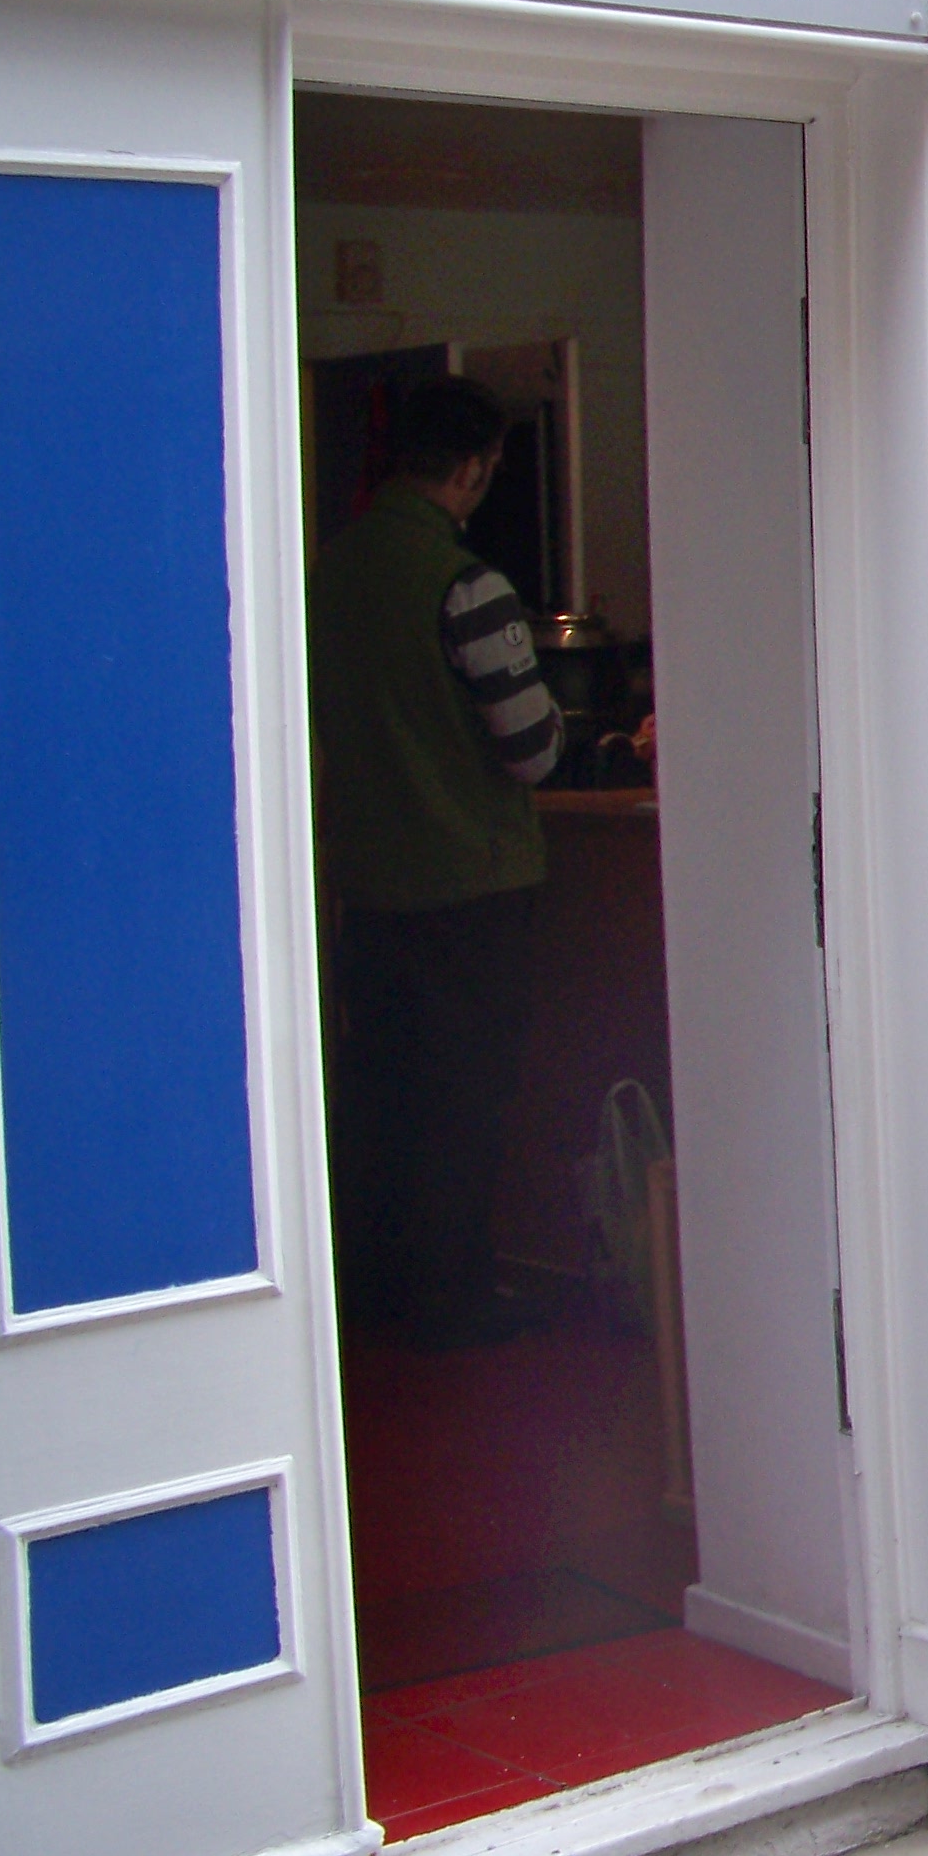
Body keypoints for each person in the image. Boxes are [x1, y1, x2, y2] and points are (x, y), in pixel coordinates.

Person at [311, 377, 566, 1348]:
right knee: (465, 1099)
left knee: (381, 1094)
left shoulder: (328, 574)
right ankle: (452, 1302)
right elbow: (532, 748)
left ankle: (369, 1293)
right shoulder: (470, 586)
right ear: (471, 468)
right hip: (474, 883)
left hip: (369, 885)